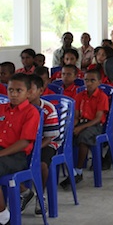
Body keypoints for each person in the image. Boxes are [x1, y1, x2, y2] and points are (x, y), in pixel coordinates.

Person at [0, 73, 41, 225]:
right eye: (10, 90)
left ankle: (3, 215)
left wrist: (1, 154)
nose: (14, 94)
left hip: (17, 156)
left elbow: (24, 142)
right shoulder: (2, 108)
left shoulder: (31, 112)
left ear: (29, 92)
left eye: (19, 90)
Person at [60, 69, 109, 189]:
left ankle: (79, 170)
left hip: (95, 125)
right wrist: (71, 127)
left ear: (99, 82)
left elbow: (98, 118)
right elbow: (76, 116)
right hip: (81, 123)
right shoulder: (79, 95)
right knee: (65, 138)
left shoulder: (102, 96)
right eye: (86, 80)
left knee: (83, 138)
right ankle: (72, 170)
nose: (89, 83)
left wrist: (81, 127)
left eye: (93, 80)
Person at [20, 74, 60, 215]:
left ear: (40, 91)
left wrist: (34, 148)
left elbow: (50, 137)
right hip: (25, 144)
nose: (27, 93)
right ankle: (24, 192)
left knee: (42, 164)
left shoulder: (48, 109)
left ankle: (40, 194)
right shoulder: (20, 108)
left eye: (31, 90)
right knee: (9, 162)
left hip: (46, 143)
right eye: (25, 90)